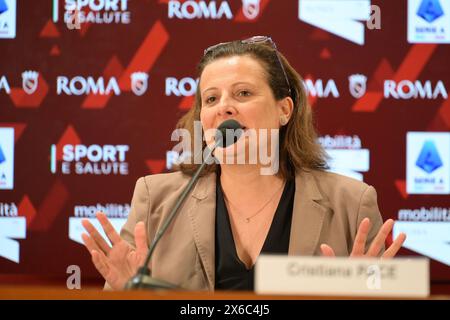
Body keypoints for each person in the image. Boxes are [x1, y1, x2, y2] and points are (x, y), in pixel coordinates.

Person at [81, 36, 407, 291]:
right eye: (211, 98)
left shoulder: (350, 202)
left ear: (285, 110)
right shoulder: (157, 199)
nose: (224, 107)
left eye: (242, 93)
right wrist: (126, 294)